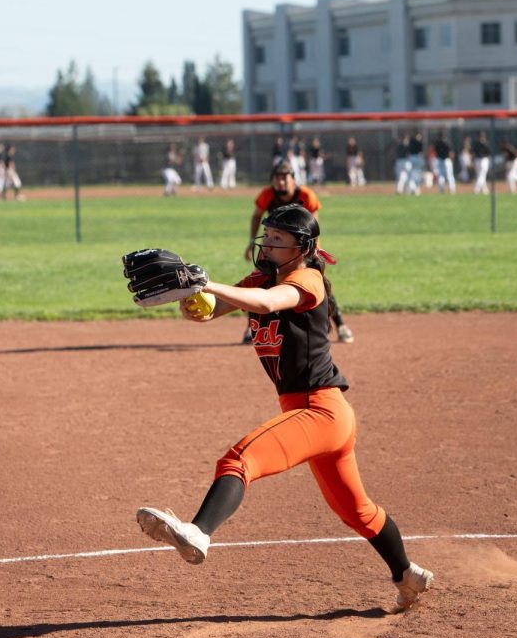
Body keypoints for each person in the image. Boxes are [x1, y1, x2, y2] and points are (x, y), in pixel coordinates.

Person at [135, 203, 434, 612]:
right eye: (268, 235)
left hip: (320, 410)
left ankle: (199, 532)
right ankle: (408, 576)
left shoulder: (308, 280)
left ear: (303, 248)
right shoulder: (261, 277)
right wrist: (195, 298)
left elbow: (266, 302)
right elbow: (219, 308)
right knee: (358, 512)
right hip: (321, 414)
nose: (269, 243)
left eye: (279, 239)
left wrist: (210, 283)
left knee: (239, 460)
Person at [243, 159, 354, 344]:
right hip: (274, 246)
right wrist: (251, 242)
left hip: (302, 249)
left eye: (285, 178)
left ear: (293, 179)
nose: (281, 182)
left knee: (319, 285)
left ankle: (340, 325)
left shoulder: (306, 195)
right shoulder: (267, 195)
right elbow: (256, 216)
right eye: (277, 178)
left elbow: (314, 227)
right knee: (259, 281)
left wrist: (313, 253)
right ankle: (251, 328)